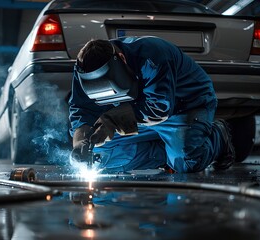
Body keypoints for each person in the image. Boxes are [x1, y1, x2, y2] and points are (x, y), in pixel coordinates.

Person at [68, 36, 235, 173]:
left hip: (185, 106)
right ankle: (168, 151)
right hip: (135, 118)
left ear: (122, 58)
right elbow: (82, 109)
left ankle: (218, 135)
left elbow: (159, 107)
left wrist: (112, 121)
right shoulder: (84, 69)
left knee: (186, 162)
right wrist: (81, 140)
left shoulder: (152, 56)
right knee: (100, 156)